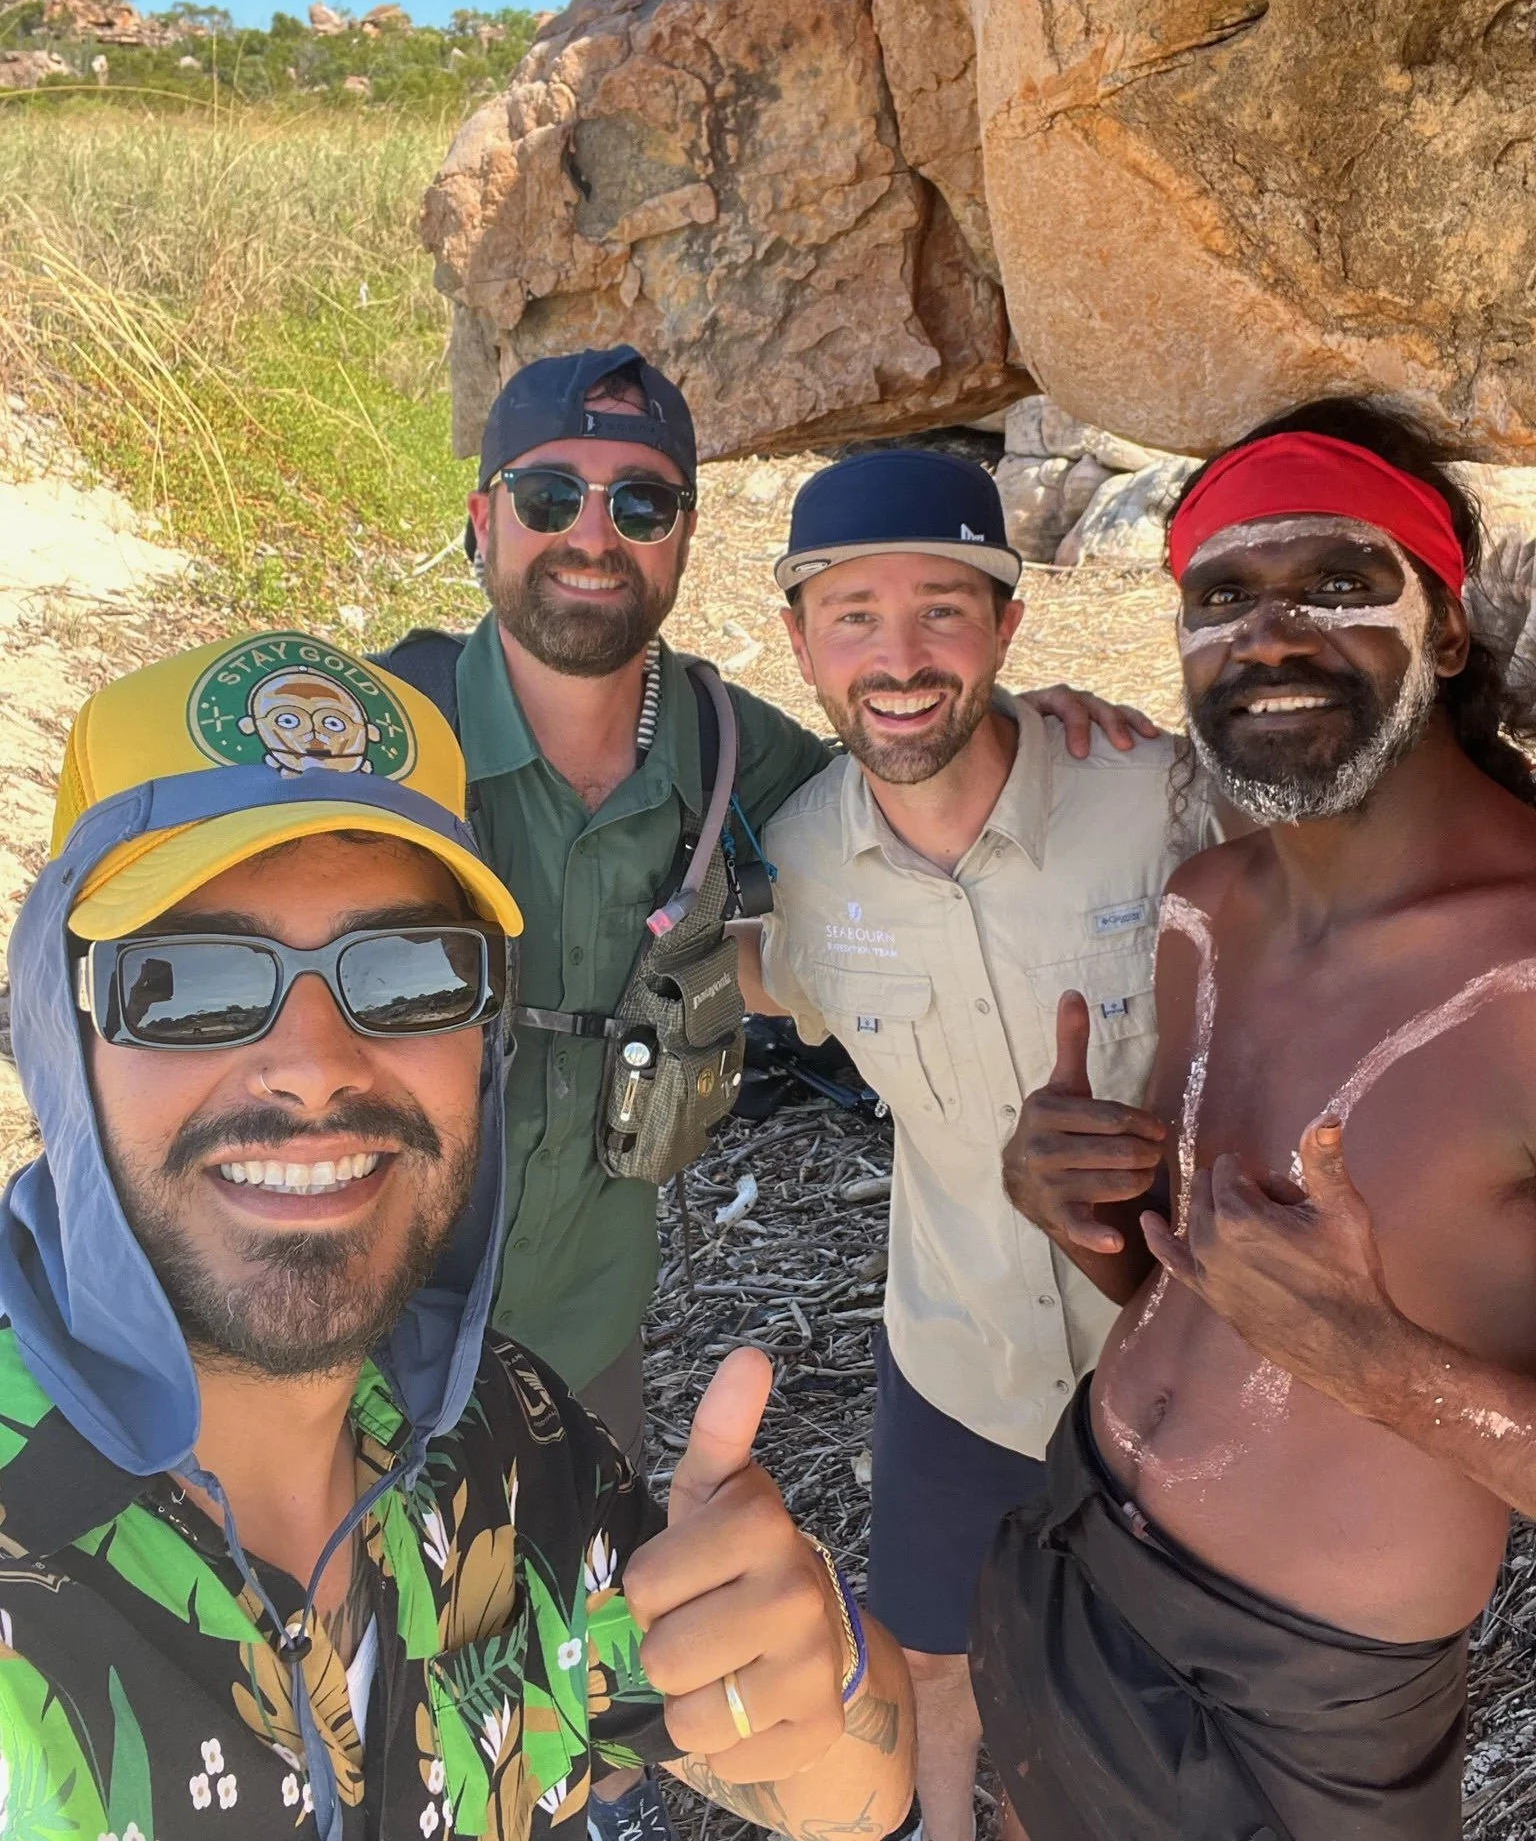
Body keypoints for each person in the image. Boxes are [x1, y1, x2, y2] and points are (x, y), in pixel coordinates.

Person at [0, 631, 915, 1841]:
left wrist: (828, 1665)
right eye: (191, 979)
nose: (316, 1069)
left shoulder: (508, 1443)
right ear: (62, 1029)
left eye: (412, 972)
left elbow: (852, 1794)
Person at [378, 349, 1140, 1465]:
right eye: (551, 496)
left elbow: (900, 779)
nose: (593, 535)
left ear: (685, 535)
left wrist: (1025, 729)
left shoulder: (731, 750)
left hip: (583, 1351)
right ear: (482, 520)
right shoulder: (371, 737)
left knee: (561, 1639)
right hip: (345, 1330)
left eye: (641, 502)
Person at [983, 399, 1536, 1841]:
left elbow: (1320, 1339)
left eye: (1339, 584)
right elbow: (1179, 1277)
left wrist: (1376, 1362)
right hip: (1075, 1539)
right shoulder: (1211, 907)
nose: (1269, 637)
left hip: (1300, 1706)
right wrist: (1076, 1198)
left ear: (1453, 628)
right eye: (1221, 596)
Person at [728, 448, 1217, 1841]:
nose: (900, 657)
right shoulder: (809, 855)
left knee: (1136, 1674)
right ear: (800, 644)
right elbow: (784, 973)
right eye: (853, 615)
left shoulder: (1153, 799)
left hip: (1168, 1354)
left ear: (1009, 628)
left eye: (945, 609)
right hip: (956, 1357)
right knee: (935, 1654)